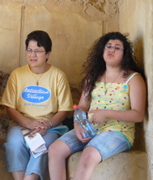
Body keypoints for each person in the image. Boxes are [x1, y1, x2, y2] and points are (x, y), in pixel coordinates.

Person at [48, 32, 146, 180]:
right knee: (55, 149)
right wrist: (78, 125)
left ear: (125, 54)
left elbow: (138, 114)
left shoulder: (133, 79)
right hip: (90, 128)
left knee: (89, 154)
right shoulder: (93, 78)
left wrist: (106, 113)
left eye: (117, 48)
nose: (111, 50)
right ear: (102, 51)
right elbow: (81, 107)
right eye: (108, 46)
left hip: (118, 132)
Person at [0, 30, 73, 180]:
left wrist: (48, 125)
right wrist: (29, 123)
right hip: (21, 124)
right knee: (13, 143)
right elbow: (9, 107)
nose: (32, 55)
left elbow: (65, 109)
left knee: (42, 146)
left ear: (48, 54)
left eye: (38, 51)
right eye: (29, 50)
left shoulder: (58, 76)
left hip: (51, 127)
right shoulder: (17, 75)